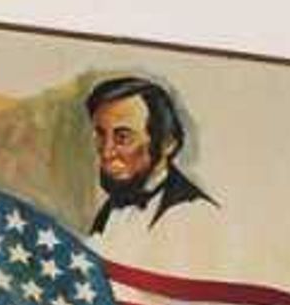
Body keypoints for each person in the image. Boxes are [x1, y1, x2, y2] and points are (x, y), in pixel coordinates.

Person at [84, 75, 212, 232]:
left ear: (167, 144)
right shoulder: (110, 210)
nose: (106, 152)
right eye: (101, 135)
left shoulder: (195, 214)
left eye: (123, 138)